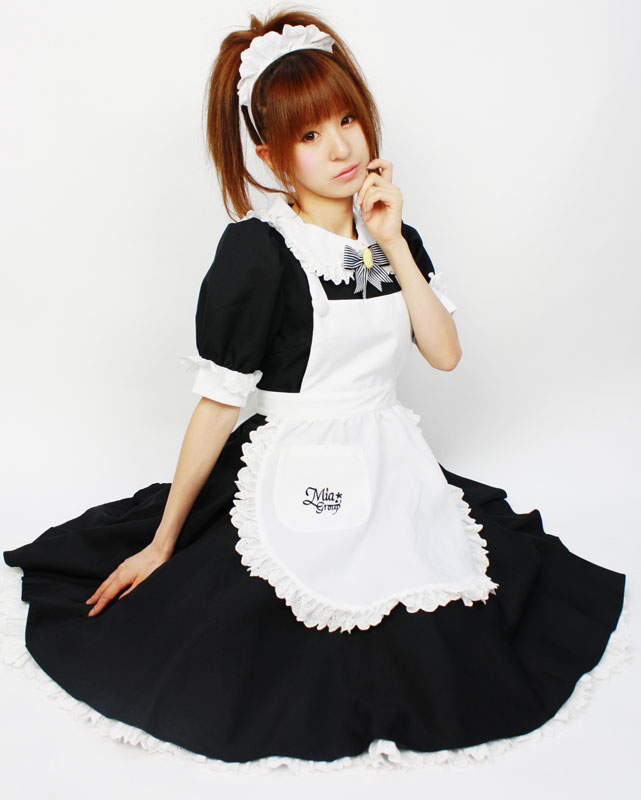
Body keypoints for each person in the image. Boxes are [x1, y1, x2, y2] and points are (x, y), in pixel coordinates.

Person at [0, 7, 630, 773]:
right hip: (297, 461)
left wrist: (391, 239)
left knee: (441, 611)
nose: (339, 147)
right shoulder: (259, 250)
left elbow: (443, 354)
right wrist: (163, 541)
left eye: (346, 120)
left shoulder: (391, 234)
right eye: (308, 134)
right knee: (270, 626)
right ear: (270, 154)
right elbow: (218, 404)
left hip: (390, 456)